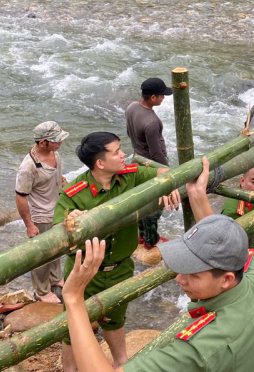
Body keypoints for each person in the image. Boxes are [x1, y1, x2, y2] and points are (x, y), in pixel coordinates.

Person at [61, 213, 254, 372]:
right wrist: (197, 193)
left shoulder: (201, 349)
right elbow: (242, 255)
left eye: (194, 274)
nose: (179, 278)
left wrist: (74, 299)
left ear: (226, 280)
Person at [54, 132, 181, 372]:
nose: (124, 154)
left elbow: (165, 173)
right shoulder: (74, 193)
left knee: (116, 318)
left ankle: (120, 363)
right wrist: (68, 221)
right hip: (84, 272)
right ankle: (69, 369)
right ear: (100, 163)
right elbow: (57, 230)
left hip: (121, 267)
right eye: (117, 152)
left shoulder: (128, 176)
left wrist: (168, 185)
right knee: (72, 324)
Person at [15, 121, 69, 304]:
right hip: (40, 215)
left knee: (58, 247)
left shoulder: (55, 153)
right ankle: (42, 290)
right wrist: (29, 225)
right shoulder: (28, 167)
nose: (60, 143)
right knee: (42, 255)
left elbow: (57, 175)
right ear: (43, 143)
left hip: (57, 209)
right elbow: (21, 197)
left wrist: (64, 185)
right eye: (56, 140)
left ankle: (55, 278)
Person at [126, 77, 173, 250]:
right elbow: (155, 153)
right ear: (153, 97)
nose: (163, 99)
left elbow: (129, 132)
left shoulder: (131, 107)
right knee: (154, 206)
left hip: (137, 160)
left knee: (141, 200)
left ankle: (141, 235)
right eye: (161, 96)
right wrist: (167, 172)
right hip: (152, 166)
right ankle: (151, 240)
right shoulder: (152, 122)